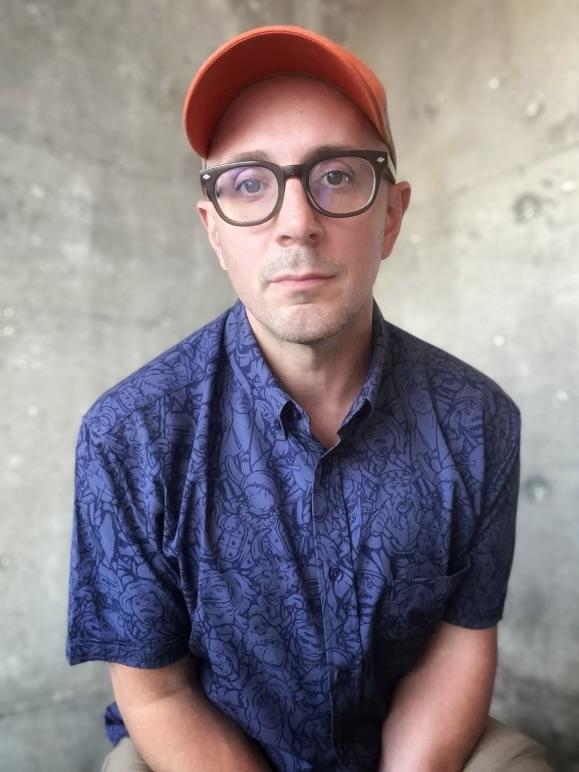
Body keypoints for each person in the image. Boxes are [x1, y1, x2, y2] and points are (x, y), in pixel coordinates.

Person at [66, 25, 552, 772]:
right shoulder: (129, 435)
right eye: (249, 183)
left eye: (336, 175)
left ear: (391, 215)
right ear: (214, 232)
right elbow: (158, 694)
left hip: (404, 740)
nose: (296, 222)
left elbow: (458, 642)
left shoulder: (477, 420)